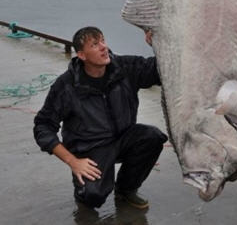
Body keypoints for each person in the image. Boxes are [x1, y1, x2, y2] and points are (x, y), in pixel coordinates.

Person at [33, 26, 167, 210]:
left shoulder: (124, 68)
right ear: (82, 55)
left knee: (152, 137)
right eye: (95, 44)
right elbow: (43, 126)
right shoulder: (66, 85)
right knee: (92, 197)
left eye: (103, 40)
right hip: (90, 148)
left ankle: (126, 190)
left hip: (123, 138)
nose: (104, 47)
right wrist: (73, 162)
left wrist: (158, 44)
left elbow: (161, 69)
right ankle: (83, 191)